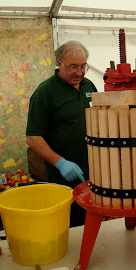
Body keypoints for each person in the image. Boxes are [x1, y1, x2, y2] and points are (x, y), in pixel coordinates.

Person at [26, 40, 97, 227]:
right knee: (70, 227)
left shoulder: (89, 86)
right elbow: (33, 137)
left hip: (93, 174)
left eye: (83, 67)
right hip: (64, 177)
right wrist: (60, 162)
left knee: (92, 222)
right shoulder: (45, 93)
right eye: (73, 67)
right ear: (58, 63)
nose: (79, 73)